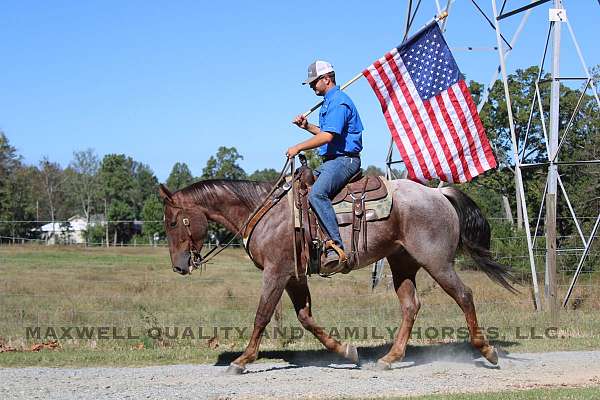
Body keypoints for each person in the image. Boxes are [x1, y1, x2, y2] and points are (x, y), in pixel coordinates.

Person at [286, 60, 364, 271]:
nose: (311, 86)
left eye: (314, 82)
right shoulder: (330, 101)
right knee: (298, 184)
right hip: (332, 161)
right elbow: (325, 132)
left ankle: (335, 247)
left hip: (344, 160)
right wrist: (307, 126)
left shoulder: (338, 102)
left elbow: (328, 137)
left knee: (317, 194)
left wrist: (298, 147)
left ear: (326, 79)